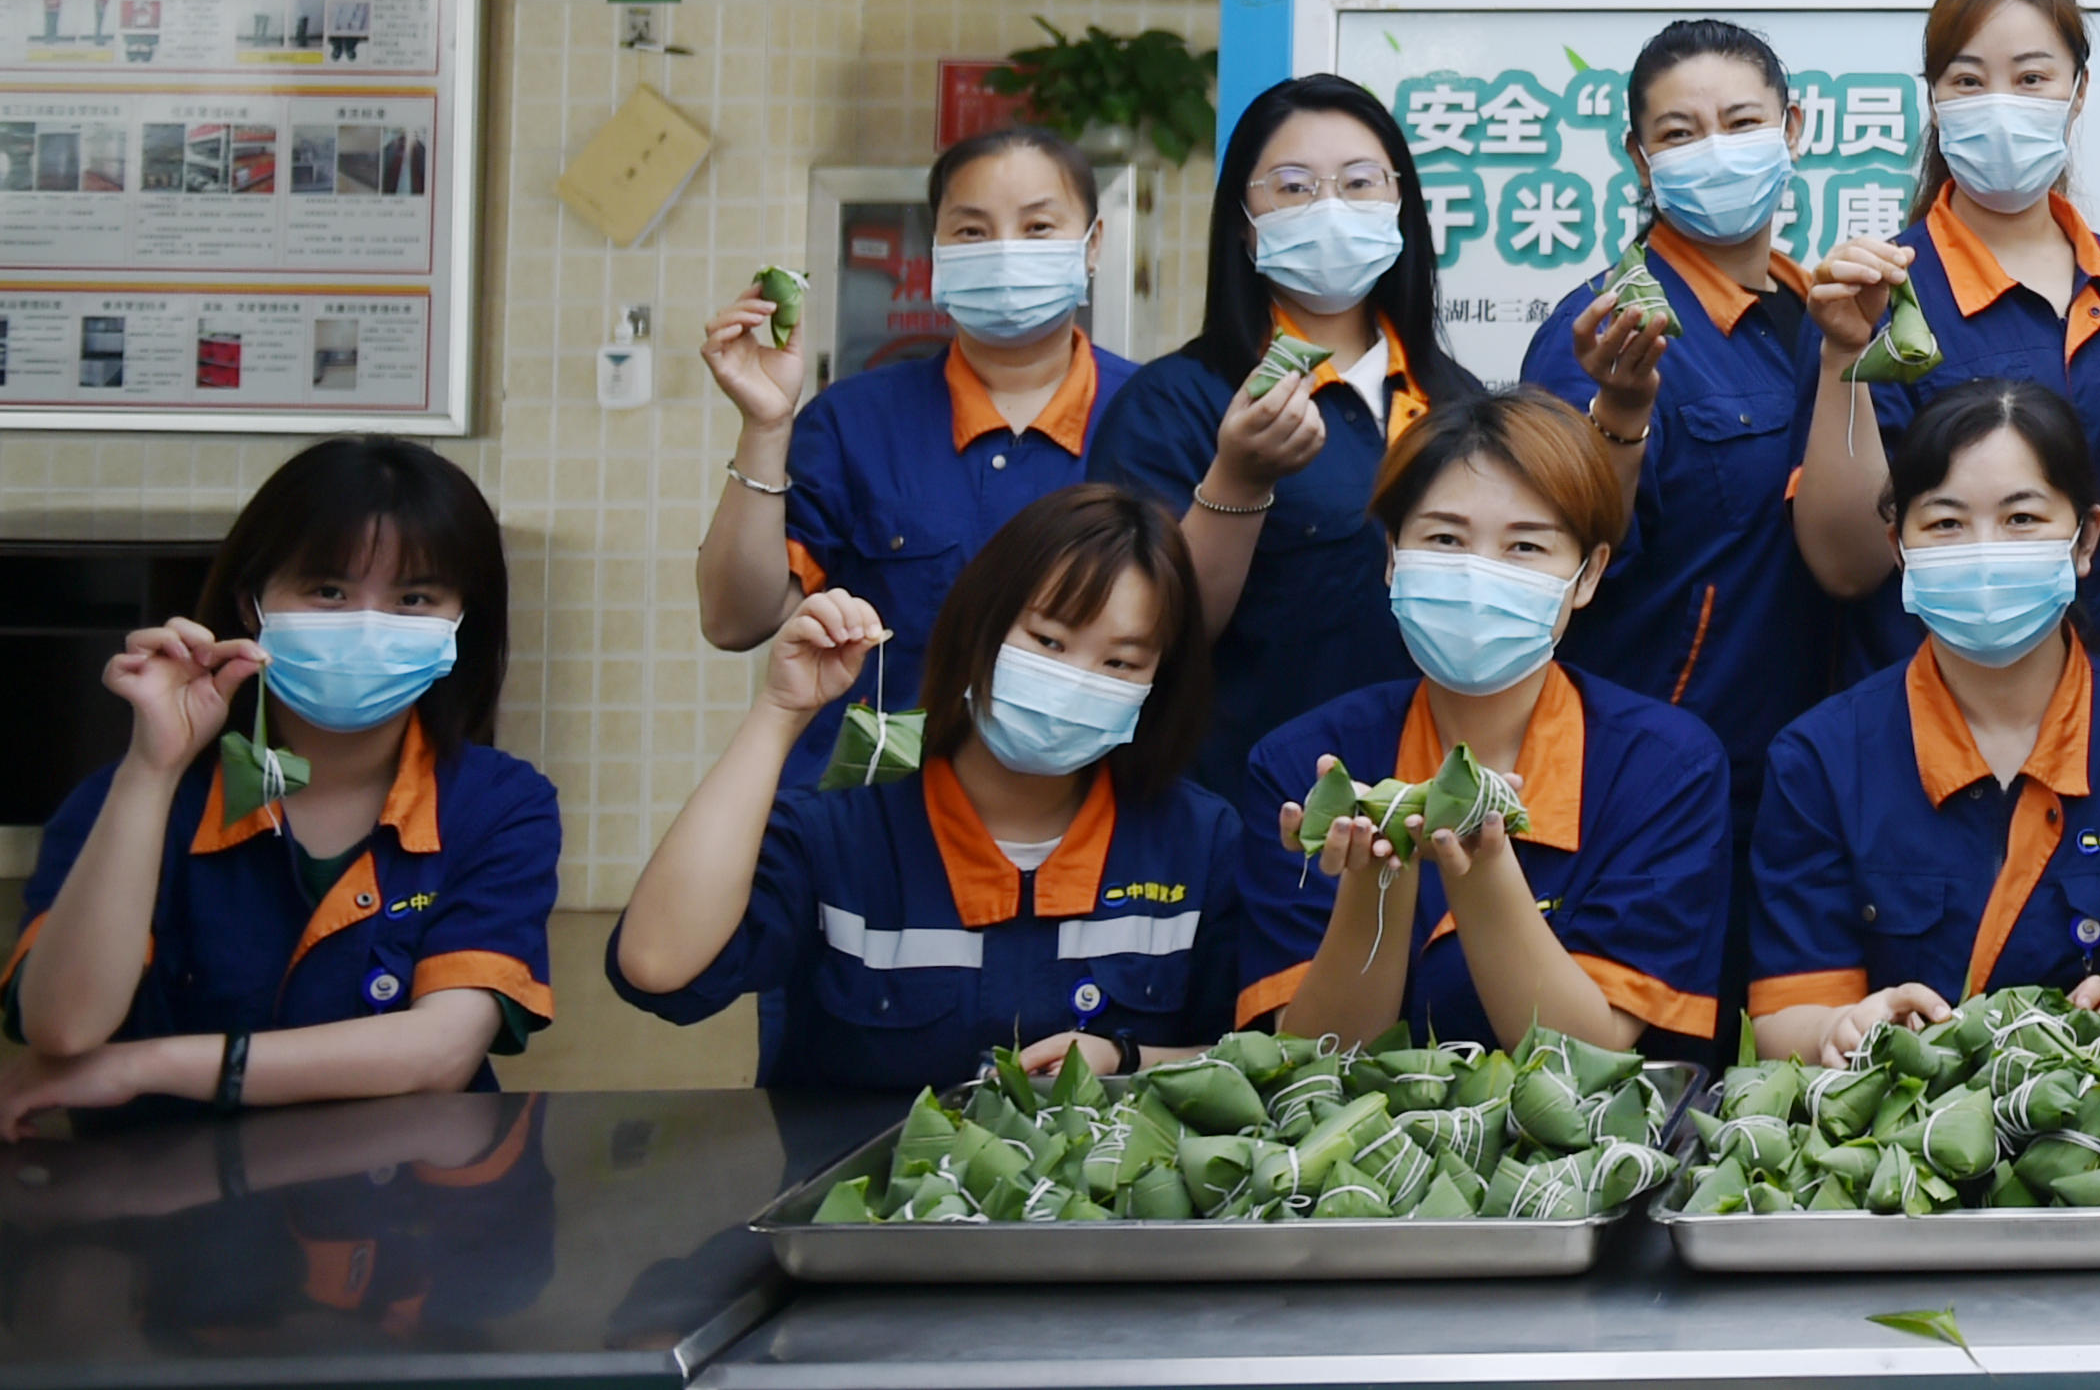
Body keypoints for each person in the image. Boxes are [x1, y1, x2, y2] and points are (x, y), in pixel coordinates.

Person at [611, 485, 1242, 1090]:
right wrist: (780, 712)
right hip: (865, 1171)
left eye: (1120, 662)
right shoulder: (844, 830)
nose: (1076, 681)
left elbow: (1257, 1056)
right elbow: (659, 965)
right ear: (978, 629)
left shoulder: (1198, 840)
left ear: (1160, 679)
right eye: (1048, 640)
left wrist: (1126, 1060)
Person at [3, 441, 555, 1132]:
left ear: (462, 620)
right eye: (329, 591)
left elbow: (439, 1050)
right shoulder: (126, 799)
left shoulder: (501, 804)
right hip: (170, 1188)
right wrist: (152, 770)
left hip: (398, 1185)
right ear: (252, 602)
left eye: (414, 598)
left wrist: (143, 1065)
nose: (366, 625)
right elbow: (62, 1026)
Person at [1090, 75, 1572, 829]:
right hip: (1260, 808)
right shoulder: (1177, 401)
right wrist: (1239, 480)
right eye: (1293, 186)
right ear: (1244, 224)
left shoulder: (1457, 399)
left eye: (1359, 182)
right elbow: (1141, 634)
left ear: (1400, 205)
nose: (1331, 207)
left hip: (1438, 807)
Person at [1241, 395, 1730, 1052]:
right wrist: (1378, 877)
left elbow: (1588, 1056)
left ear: (1588, 574)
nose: (1480, 572)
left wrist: (1484, 871)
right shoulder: (1302, 765)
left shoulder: (1665, 768)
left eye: (1525, 546)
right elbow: (1314, 1058)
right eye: (1445, 539)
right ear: (1393, 556)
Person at [1745, 384, 2100, 1058]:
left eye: (2021, 518)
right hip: (1897, 1115)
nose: (1985, 551)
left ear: (2087, 538)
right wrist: (1845, 1029)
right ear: (1898, 546)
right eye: (1946, 524)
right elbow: (1787, 1014)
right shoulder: (1820, 757)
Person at [694, 126, 1134, 799]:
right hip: (875, 813)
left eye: (1038, 227)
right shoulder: (854, 420)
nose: (1005, 251)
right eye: (972, 231)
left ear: (1093, 243)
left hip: (1096, 811)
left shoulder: (1155, 415)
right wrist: (765, 424)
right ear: (936, 251)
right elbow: (735, 619)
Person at [1530, 20, 1898, 791]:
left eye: (1742, 122)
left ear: (1792, 129)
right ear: (1641, 158)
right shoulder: (1606, 332)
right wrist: (1619, 413)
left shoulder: (1833, 314)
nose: (1718, 151)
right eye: (1680, 132)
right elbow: (1563, 557)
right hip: (1666, 774)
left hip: (1833, 770)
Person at [1798, 0, 2100, 653]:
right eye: (1968, 81)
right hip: (1930, 682)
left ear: (2079, 92)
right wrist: (1842, 355)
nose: (2001, 104)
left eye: (2031, 78)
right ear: (1934, 99)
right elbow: (1846, 566)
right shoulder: (1878, 291)